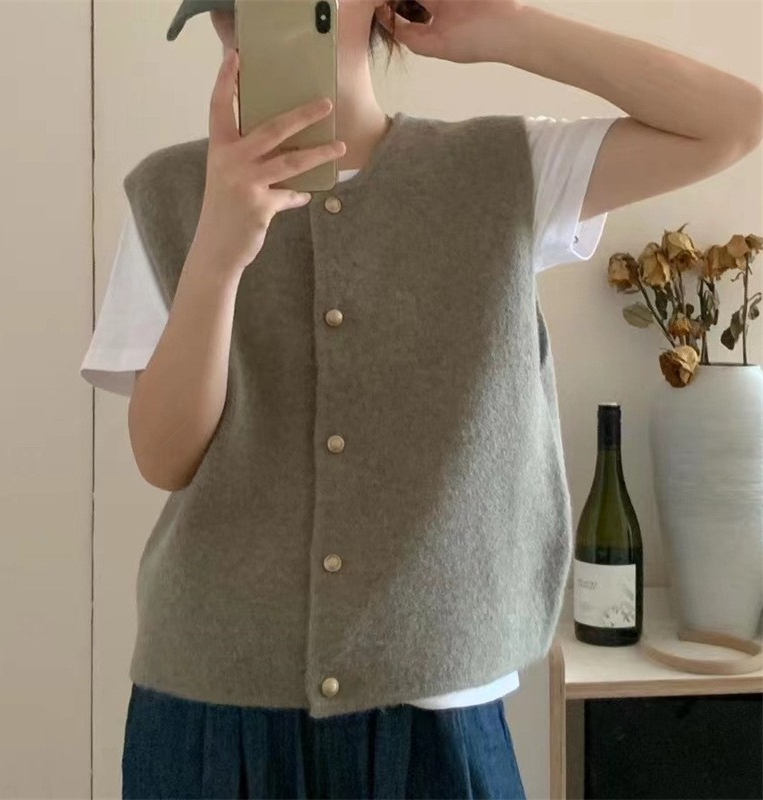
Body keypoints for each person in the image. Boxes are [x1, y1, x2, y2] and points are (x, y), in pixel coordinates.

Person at [79, 1, 763, 797]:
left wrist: (505, 30)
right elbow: (164, 457)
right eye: (231, 11)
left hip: (435, 710)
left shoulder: (502, 168)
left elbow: (733, 123)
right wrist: (217, 253)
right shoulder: (170, 190)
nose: (249, 23)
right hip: (211, 703)